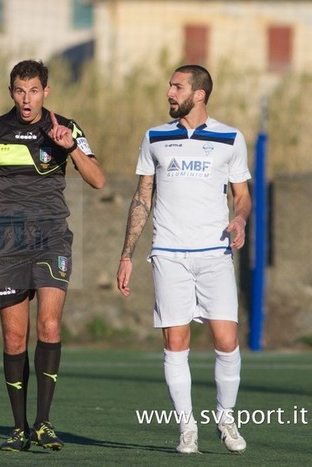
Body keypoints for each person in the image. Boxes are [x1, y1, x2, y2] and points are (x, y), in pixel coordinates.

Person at [0, 59, 106, 452]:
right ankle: (19, 427)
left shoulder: (65, 128)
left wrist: (70, 147)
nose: (27, 100)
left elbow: (97, 180)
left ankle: (43, 423)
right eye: (20, 91)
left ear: (46, 91)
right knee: (13, 336)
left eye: (34, 91)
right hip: (7, 242)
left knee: (50, 327)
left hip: (52, 238)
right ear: (12, 92)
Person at [116, 64, 251, 454]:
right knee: (175, 343)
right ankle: (186, 428)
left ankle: (225, 417)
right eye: (169, 86)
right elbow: (143, 196)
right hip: (169, 254)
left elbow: (241, 196)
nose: (169, 93)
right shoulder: (155, 137)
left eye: (177, 87)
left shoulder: (230, 138)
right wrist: (127, 254)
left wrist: (239, 219)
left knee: (227, 341)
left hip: (215, 253)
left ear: (200, 93)